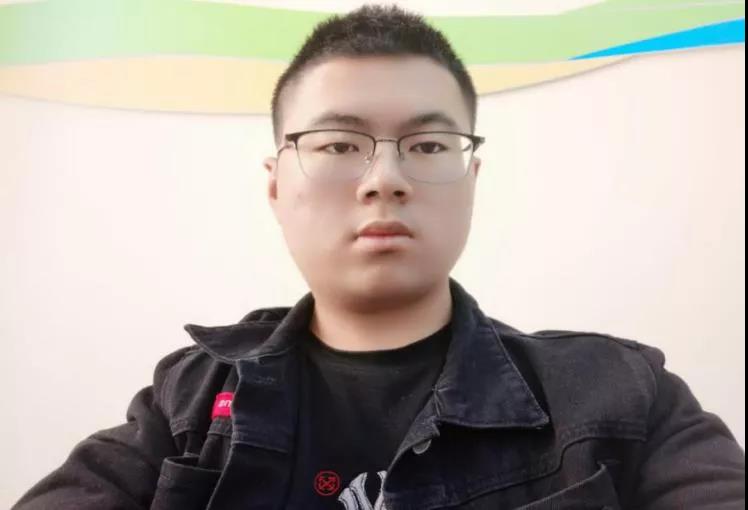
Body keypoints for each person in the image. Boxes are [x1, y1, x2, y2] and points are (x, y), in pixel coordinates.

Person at [12, 4, 745, 510]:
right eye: (338, 144)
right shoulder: (186, 403)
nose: (385, 178)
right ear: (276, 184)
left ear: (471, 179)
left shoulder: (621, 397)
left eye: (428, 145)